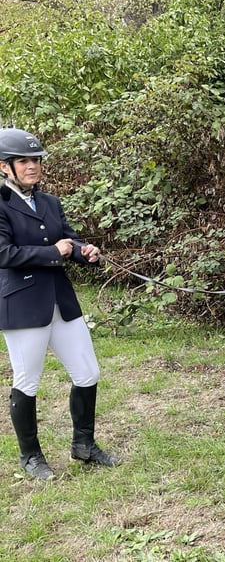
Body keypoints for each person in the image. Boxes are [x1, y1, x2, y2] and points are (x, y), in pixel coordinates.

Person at [0, 128, 120, 480]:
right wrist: (53, 253)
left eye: (35, 160)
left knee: (88, 373)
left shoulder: (50, 201)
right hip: (22, 305)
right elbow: (4, 253)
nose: (32, 166)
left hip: (60, 301)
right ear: (4, 167)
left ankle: (83, 445)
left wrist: (85, 252)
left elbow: (67, 237)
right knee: (28, 381)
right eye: (24, 161)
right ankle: (31, 456)